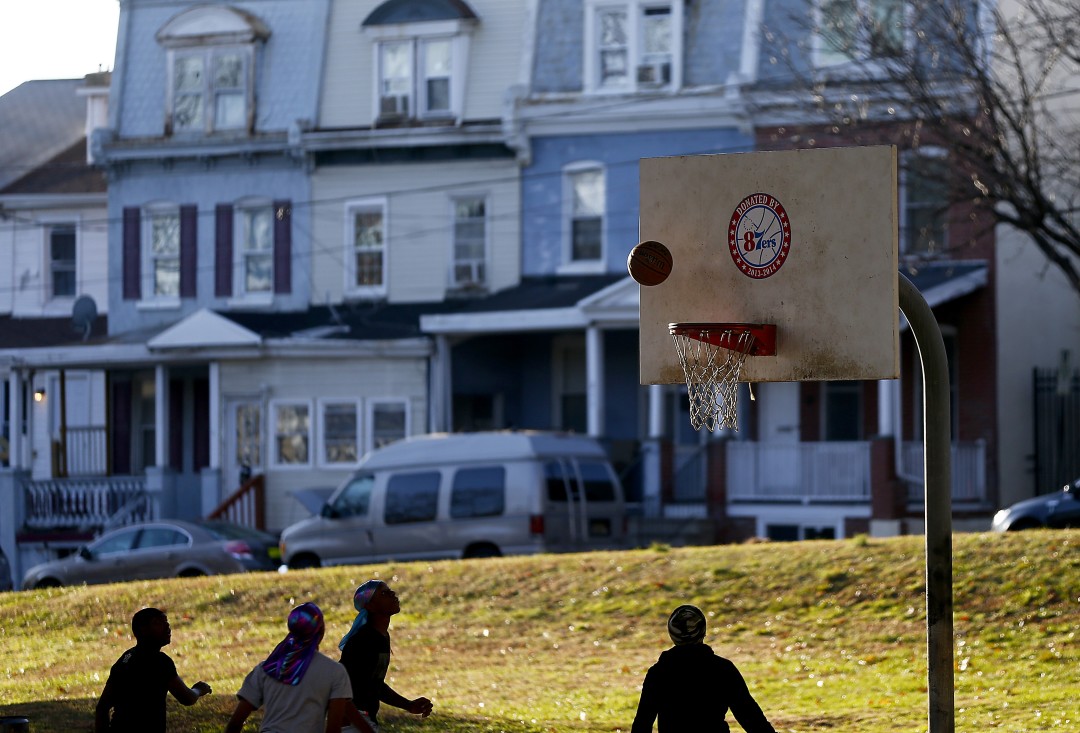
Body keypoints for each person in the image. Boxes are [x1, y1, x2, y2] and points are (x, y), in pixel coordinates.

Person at [631, 604, 776, 733]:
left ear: (672, 635)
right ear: (703, 632)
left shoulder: (658, 673)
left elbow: (642, 724)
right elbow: (750, 717)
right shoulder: (723, 669)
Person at [225, 602, 358, 733]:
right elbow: (334, 728)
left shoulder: (267, 669)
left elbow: (235, 723)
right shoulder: (334, 671)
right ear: (321, 630)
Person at [94, 607, 212, 733]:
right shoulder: (160, 662)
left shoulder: (126, 658)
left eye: (167, 622)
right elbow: (187, 698)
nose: (167, 627)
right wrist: (199, 689)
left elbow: (102, 707)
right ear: (142, 630)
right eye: (158, 623)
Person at [338, 580, 433, 730]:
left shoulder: (381, 637)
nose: (392, 594)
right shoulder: (363, 641)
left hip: (365, 719)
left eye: (390, 591)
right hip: (352, 721)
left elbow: (375, 684)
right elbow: (343, 688)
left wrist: (409, 705)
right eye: (384, 593)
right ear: (370, 606)